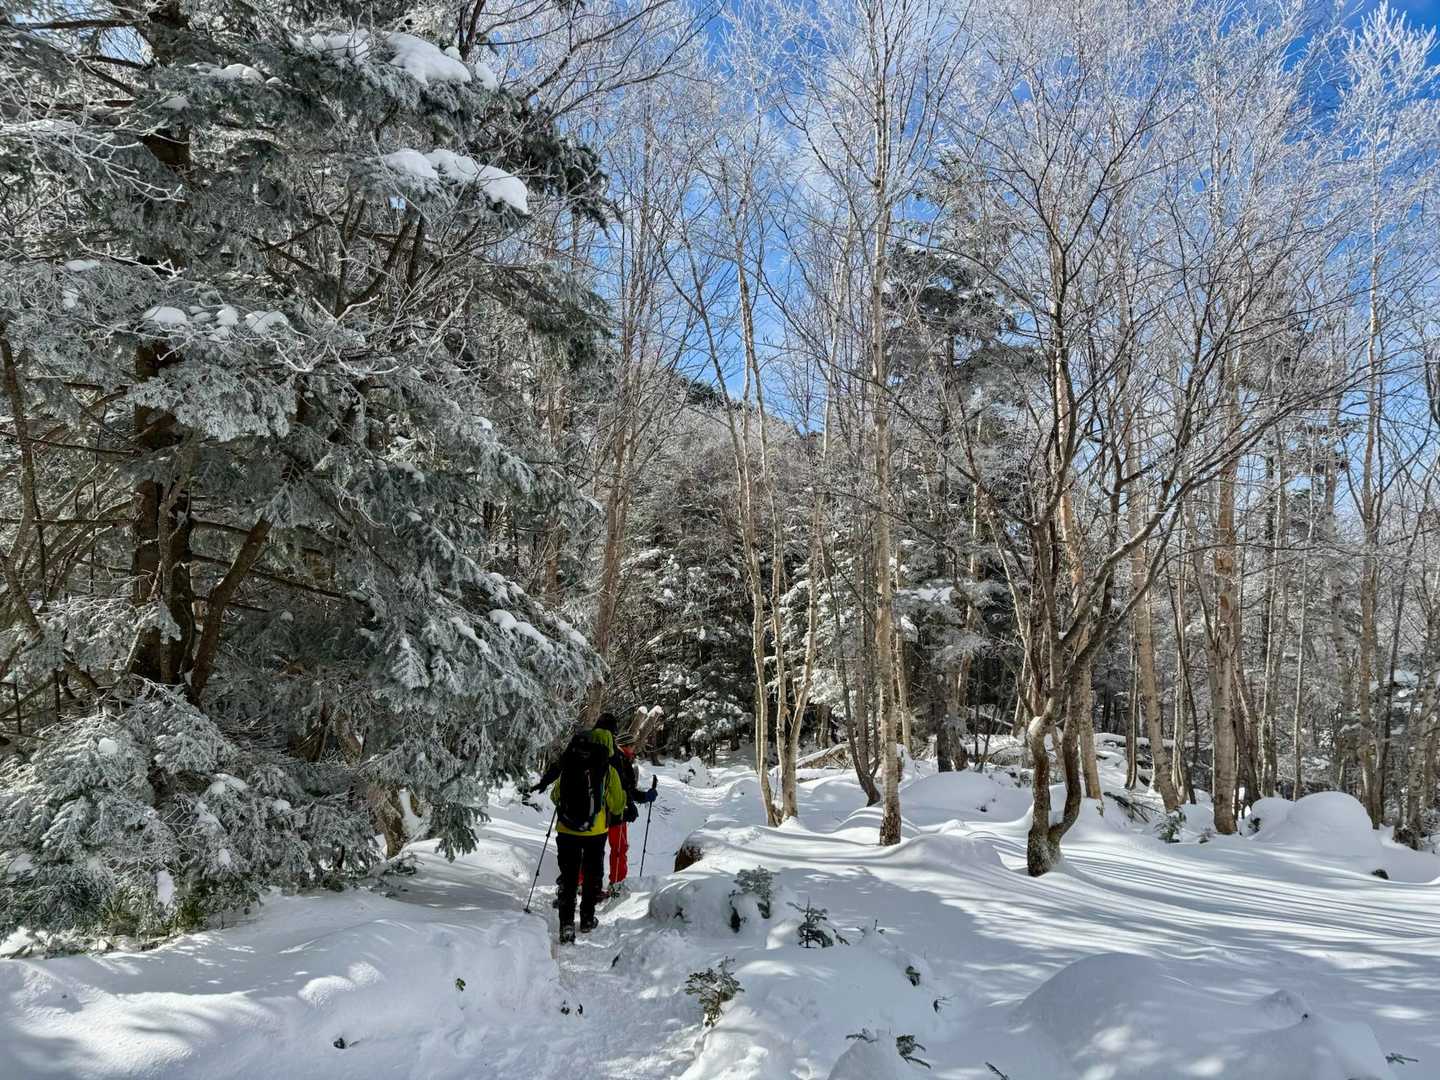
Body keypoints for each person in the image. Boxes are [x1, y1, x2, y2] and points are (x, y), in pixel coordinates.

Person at [541, 726, 626, 944]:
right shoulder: (608, 769)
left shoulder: (570, 763)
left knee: (569, 877)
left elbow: (555, 795)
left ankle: (566, 925)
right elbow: (617, 804)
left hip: (566, 830)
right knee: (592, 874)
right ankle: (587, 919)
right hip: (596, 832)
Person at [606, 730, 657, 896]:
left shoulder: (616, 759)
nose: (634, 748)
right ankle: (617, 884)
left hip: (603, 812)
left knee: (595, 848)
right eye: (633, 745)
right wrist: (631, 804)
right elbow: (624, 789)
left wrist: (643, 797)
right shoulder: (619, 761)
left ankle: (583, 883)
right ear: (625, 745)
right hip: (616, 812)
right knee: (619, 848)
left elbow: (627, 790)